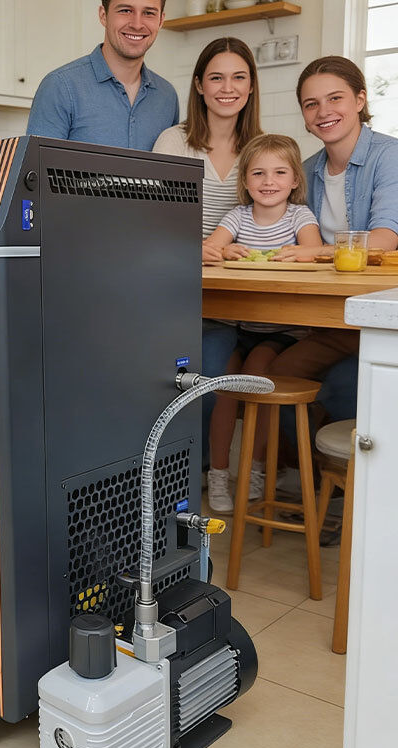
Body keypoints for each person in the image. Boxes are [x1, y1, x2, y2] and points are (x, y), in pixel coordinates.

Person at [266, 57, 398, 473]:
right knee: (278, 374)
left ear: (360, 99)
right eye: (311, 104)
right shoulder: (307, 171)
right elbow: (284, 235)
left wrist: (318, 252)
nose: (323, 111)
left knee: (341, 387)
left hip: (380, 316)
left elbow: (385, 239)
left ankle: (351, 486)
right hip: (331, 317)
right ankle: (316, 480)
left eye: (335, 98)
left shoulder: (389, 156)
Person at [152, 37, 263, 469]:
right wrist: (194, 248)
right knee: (193, 382)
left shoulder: (262, 148)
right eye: (216, 78)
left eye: (239, 78)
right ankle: (185, 475)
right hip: (183, 295)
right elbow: (151, 220)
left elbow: (278, 222)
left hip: (240, 298)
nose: (227, 88)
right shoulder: (174, 141)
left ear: (251, 86)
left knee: (218, 378)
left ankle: (210, 471)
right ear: (199, 85)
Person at [201, 134, 323, 511]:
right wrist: (222, 249)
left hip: (283, 332)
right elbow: (206, 248)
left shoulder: (299, 217)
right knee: (223, 386)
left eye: (279, 172)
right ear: (245, 180)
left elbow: (314, 250)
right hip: (242, 327)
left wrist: (300, 254)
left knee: (256, 375)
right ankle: (218, 474)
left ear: (295, 179)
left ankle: (254, 469)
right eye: (258, 173)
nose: (269, 181)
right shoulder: (237, 217)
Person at [26, 0, 178, 150]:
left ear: (161, 21)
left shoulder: (167, 96)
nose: (137, 24)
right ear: (103, 15)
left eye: (149, 13)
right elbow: (38, 164)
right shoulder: (60, 87)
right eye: (125, 10)